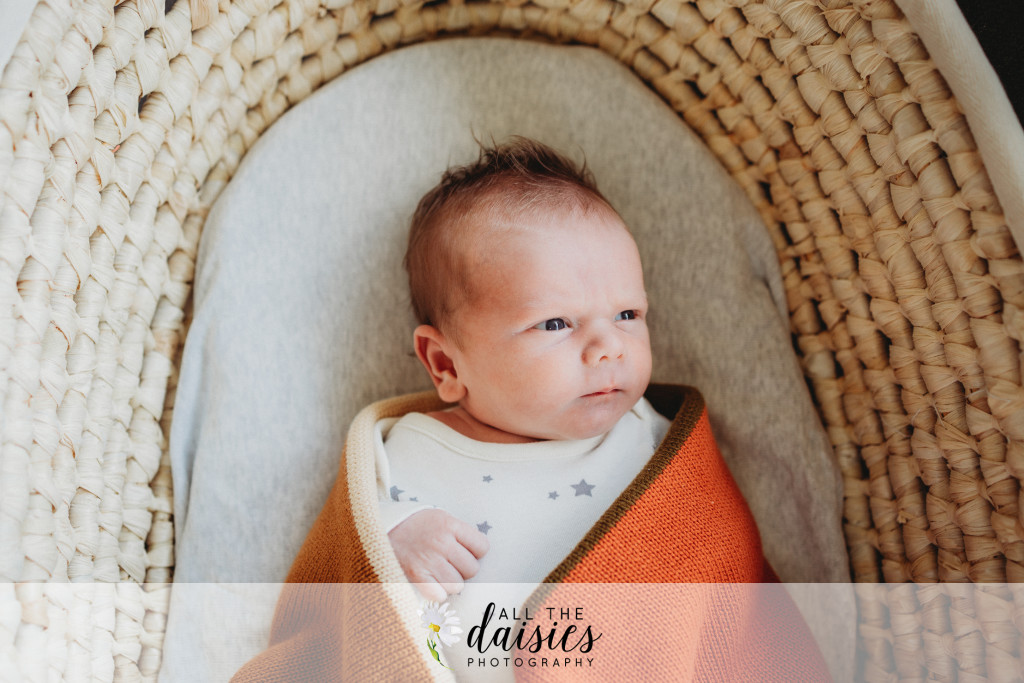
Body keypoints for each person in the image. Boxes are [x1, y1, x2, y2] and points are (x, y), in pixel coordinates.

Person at [232, 137, 830, 682]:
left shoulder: (653, 441)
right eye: (555, 323)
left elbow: (714, 563)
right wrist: (394, 539)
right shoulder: (405, 448)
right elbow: (343, 561)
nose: (609, 346)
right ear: (445, 365)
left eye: (628, 314)